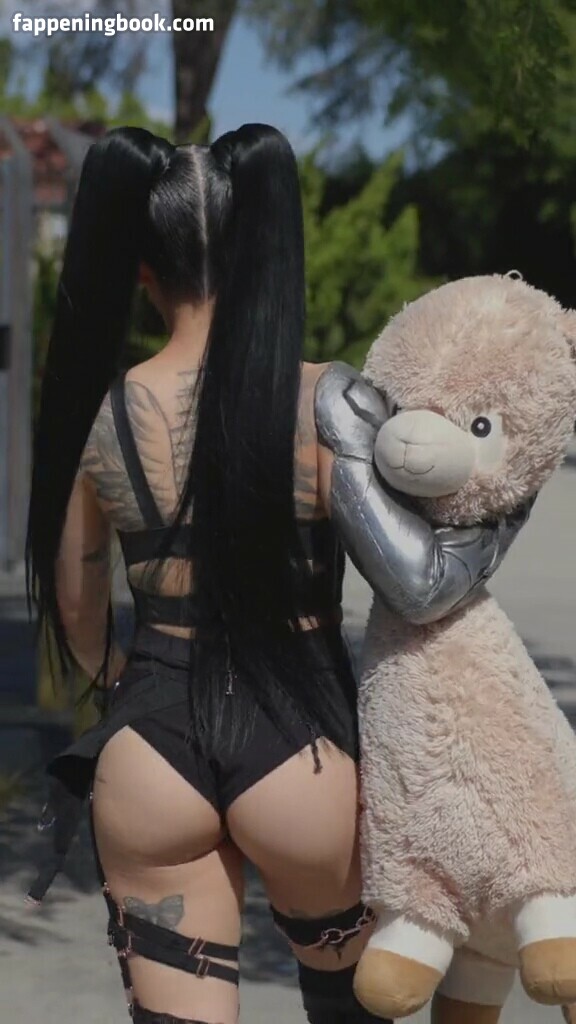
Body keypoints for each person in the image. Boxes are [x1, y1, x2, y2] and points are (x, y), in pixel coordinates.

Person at [25, 123, 532, 1024]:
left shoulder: (101, 418)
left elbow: (78, 604)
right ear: (260, 247)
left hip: (152, 747)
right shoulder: (321, 397)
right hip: (303, 742)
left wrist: (130, 683)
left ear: (142, 268)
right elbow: (414, 580)